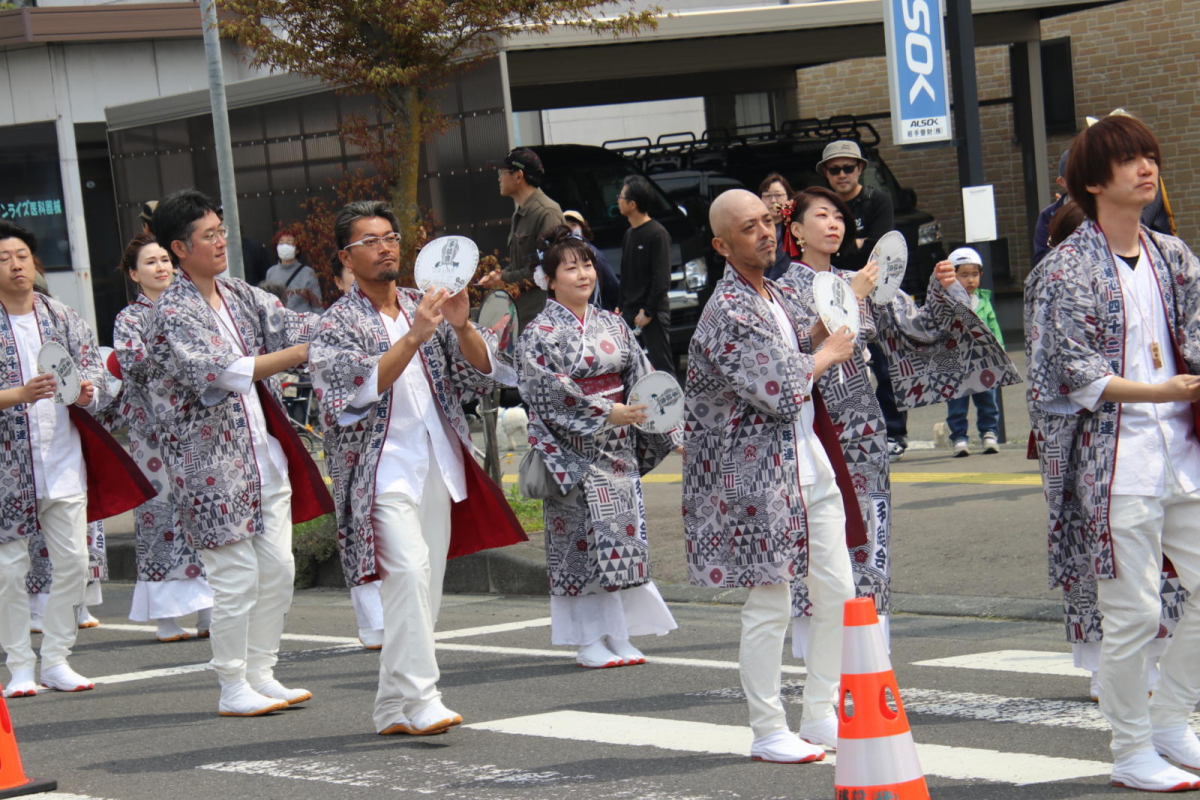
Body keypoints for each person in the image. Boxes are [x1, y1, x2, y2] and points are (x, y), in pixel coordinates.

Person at [1025, 114, 1200, 792]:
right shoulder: (1065, 267)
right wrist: (1160, 391)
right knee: (1132, 615)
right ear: (1094, 181)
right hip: (1114, 466)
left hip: (1182, 455)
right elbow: (1075, 373)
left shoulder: (1175, 256)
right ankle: (1131, 750)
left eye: (1149, 156)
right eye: (1129, 160)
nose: (1145, 169)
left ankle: (1171, 719)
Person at [309, 200, 525, 737]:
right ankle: (424, 698)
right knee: (405, 572)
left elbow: (482, 378)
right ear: (347, 256)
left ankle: (390, 706)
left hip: (436, 458)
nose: (386, 247)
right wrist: (414, 337)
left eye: (391, 237)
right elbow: (348, 397)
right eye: (371, 241)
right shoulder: (336, 323)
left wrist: (462, 325)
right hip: (378, 470)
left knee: (424, 589)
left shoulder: (420, 302)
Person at [777, 189, 1016, 667]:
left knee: (869, 524)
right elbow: (787, 352)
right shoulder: (783, 290)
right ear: (796, 231)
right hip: (814, 416)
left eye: (839, 216)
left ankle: (871, 641)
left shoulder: (858, 278)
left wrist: (941, 288)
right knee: (821, 529)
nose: (833, 224)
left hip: (863, 418)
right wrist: (855, 295)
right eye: (819, 216)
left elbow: (918, 328)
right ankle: (822, 648)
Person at [683, 188, 858, 764]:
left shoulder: (776, 293)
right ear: (721, 244)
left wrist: (819, 335)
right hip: (755, 473)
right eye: (748, 227)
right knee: (771, 601)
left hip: (804, 459)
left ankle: (820, 712)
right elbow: (778, 387)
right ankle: (766, 728)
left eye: (767, 221)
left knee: (837, 590)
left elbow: (788, 355)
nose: (763, 232)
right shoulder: (726, 308)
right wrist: (826, 351)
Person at [144, 189, 332, 717]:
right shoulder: (173, 311)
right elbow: (220, 372)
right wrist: (295, 355)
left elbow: (293, 323)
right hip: (208, 467)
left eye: (221, 230)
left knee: (277, 568)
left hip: (260, 455)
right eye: (209, 235)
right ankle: (231, 685)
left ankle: (260, 671)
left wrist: (351, 321)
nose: (221, 240)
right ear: (180, 248)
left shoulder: (240, 294)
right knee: (233, 577)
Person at [0, 220, 152, 697]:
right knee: (9, 570)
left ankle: (57, 658)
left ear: (35, 262)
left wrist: (88, 391)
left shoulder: (62, 317)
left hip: (63, 458)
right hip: (8, 468)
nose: (15, 264)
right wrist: (17, 395)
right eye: (4, 258)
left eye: (21, 255)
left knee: (73, 562)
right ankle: (19, 666)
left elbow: (99, 376)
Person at [517, 227, 679, 668]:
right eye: (570, 268)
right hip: (570, 454)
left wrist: (665, 424)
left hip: (618, 452)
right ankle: (587, 639)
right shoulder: (539, 332)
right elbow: (544, 389)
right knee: (578, 547)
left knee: (621, 540)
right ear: (548, 279)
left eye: (587, 264)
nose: (584, 274)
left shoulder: (613, 323)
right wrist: (605, 411)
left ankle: (619, 632)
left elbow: (643, 377)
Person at [105, 233, 213, 642]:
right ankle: (166, 617)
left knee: (202, 511)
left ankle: (207, 610)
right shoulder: (129, 319)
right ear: (135, 274)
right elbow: (134, 365)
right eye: (150, 263)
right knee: (159, 517)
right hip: (151, 433)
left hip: (196, 429)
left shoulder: (193, 305)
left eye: (165, 259)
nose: (162, 267)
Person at [478, 148, 566, 331]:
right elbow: (523, 264)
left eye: (502, 172)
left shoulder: (546, 212)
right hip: (523, 316)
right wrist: (499, 276)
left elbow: (548, 270)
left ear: (518, 176)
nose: (499, 178)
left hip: (544, 321)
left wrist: (505, 277)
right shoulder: (520, 212)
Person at [944, 247, 1003, 458]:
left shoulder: (983, 302)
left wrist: (999, 351)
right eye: (964, 275)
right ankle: (959, 438)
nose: (970, 280)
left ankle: (989, 433)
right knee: (957, 403)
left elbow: (993, 328)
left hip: (983, 362)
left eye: (975, 275)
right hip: (957, 363)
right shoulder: (947, 303)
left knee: (988, 399)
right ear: (952, 276)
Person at [617, 176, 674, 374]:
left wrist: (649, 312)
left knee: (661, 365)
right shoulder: (628, 234)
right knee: (631, 367)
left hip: (653, 313)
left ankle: (675, 404)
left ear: (632, 204)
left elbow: (661, 279)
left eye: (621, 197)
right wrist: (621, 305)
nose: (618, 200)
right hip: (629, 311)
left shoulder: (657, 233)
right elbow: (625, 274)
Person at [563, 210, 619, 312]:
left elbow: (613, 286)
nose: (570, 229)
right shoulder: (559, 257)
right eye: (566, 227)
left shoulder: (593, 254)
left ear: (583, 228)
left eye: (574, 225)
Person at [262, 229, 323, 313]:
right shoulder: (271, 272)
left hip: (302, 322)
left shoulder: (308, 273)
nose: (284, 246)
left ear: (297, 250)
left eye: (289, 242)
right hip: (280, 321)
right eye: (281, 242)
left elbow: (317, 305)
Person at [758, 173, 794, 280]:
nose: (773, 201)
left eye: (778, 195)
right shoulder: (756, 230)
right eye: (767, 196)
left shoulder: (792, 229)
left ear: (788, 198)